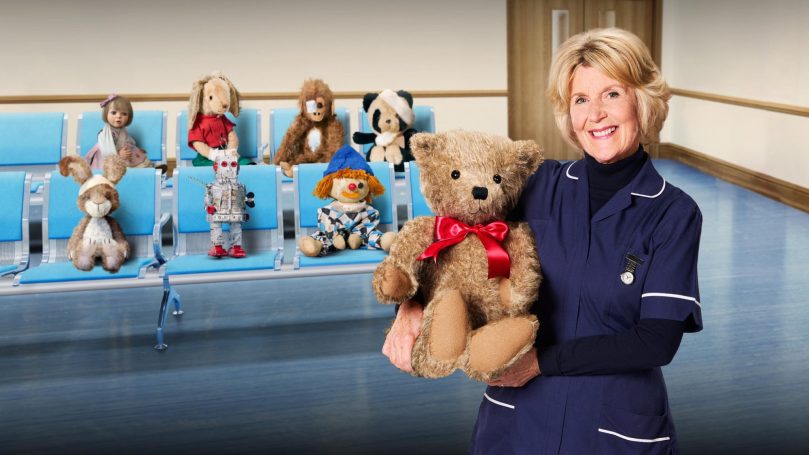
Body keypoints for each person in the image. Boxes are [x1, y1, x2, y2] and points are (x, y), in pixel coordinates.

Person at [382, 28, 703, 454]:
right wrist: (411, 305)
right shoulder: (538, 184)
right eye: (580, 100)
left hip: (612, 422)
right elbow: (456, 234)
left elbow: (656, 341)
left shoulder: (673, 213)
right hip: (518, 416)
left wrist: (540, 363)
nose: (596, 115)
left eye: (612, 94)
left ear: (641, 101)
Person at [85, 94, 167, 173]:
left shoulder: (123, 130)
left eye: (124, 114)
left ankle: (150, 170)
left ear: (129, 117)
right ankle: (137, 173)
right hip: (108, 157)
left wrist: (137, 149)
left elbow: (128, 140)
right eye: (114, 113)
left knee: (135, 154)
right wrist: (118, 154)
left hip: (124, 152)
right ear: (106, 114)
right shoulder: (104, 133)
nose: (119, 116)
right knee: (125, 163)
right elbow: (106, 149)